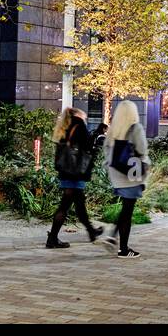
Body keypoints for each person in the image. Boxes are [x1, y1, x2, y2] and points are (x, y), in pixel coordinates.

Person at [46, 107, 106, 249]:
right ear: (77, 114)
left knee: (77, 203)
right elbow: (87, 145)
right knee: (67, 205)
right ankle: (52, 238)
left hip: (66, 171)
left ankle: (91, 231)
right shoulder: (79, 125)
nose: (84, 115)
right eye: (82, 114)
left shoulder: (65, 127)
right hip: (75, 171)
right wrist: (97, 136)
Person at [101, 99, 149, 259]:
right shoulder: (136, 128)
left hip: (116, 174)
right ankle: (122, 247)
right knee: (127, 210)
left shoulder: (113, 130)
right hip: (132, 173)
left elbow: (107, 152)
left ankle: (113, 236)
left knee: (126, 207)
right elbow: (142, 150)